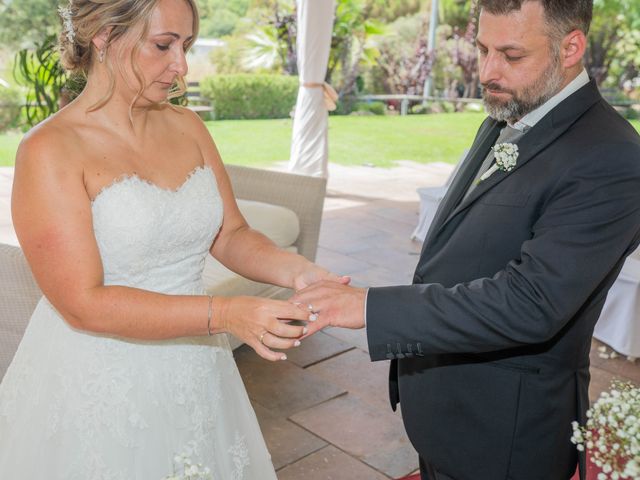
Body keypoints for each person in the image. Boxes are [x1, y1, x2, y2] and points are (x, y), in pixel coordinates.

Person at [293, 1, 640, 479]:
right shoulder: (512, 111)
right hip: (447, 408)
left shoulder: (612, 157)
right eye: (482, 49)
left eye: (511, 55)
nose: (488, 70)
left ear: (571, 47)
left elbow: (531, 303)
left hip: (505, 433)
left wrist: (369, 309)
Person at [0, 0, 347, 478]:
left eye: (185, 46)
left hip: (196, 365)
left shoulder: (189, 126)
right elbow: (82, 303)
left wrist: (303, 273)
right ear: (103, 36)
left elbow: (231, 233)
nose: (181, 65)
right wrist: (226, 314)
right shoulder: (50, 149)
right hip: (98, 381)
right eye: (163, 45)